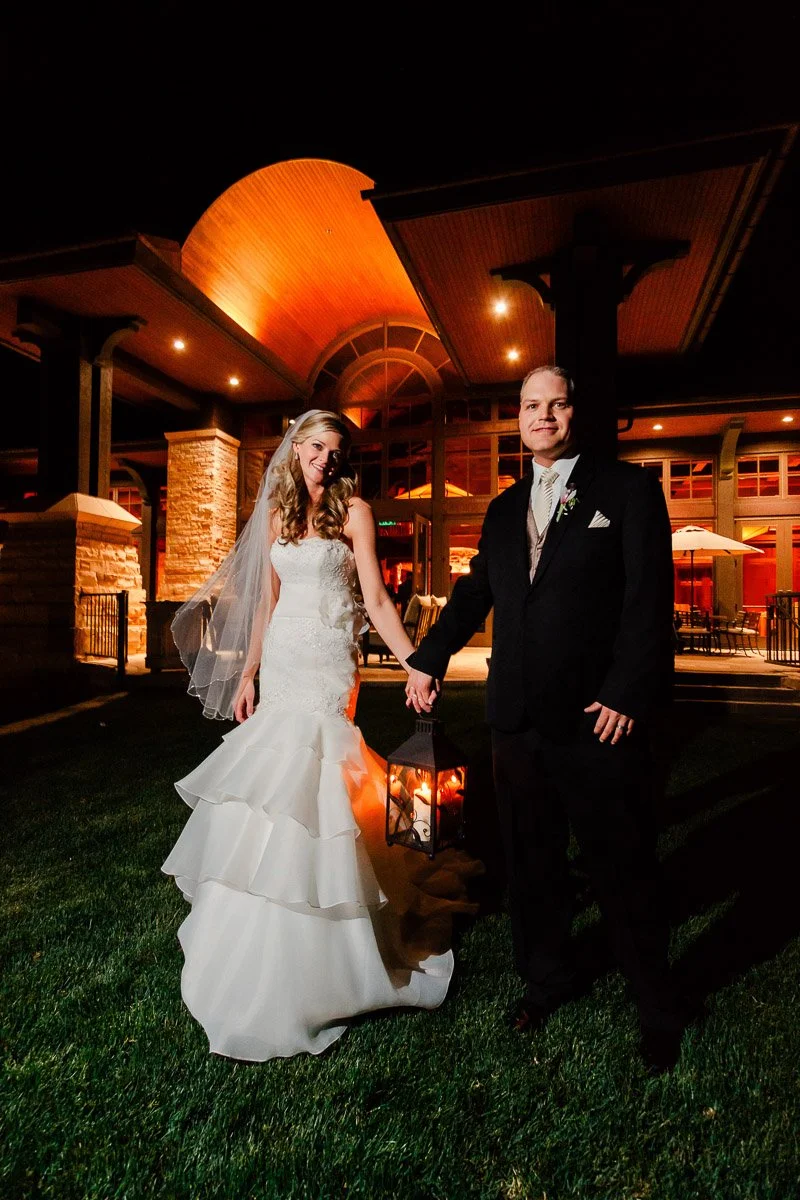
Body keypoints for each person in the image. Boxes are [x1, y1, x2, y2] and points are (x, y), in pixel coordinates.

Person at [163, 410, 475, 1061]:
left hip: (331, 663)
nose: (325, 459)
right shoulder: (276, 517)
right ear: (296, 450)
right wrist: (248, 671)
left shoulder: (355, 513)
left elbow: (379, 603)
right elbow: (266, 606)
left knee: (322, 783)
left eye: (336, 451)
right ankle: (256, 941)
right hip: (282, 661)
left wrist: (416, 660)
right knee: (277, 784)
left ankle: (335, 943)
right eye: (315, 447)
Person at [405, 366, 686, 1074]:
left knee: (620, 864)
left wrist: (627, 691)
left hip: (598, 721)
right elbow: (474, 595)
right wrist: (427, 657)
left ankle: (657, 1005)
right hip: (516, 724)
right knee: (531, 866)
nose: (544, 415)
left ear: (574, 412)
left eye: (557, 403)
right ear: (519, 419)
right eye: (532, 406)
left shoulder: (626, 491)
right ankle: (547, 980)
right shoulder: (503, 509)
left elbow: (649, 601)